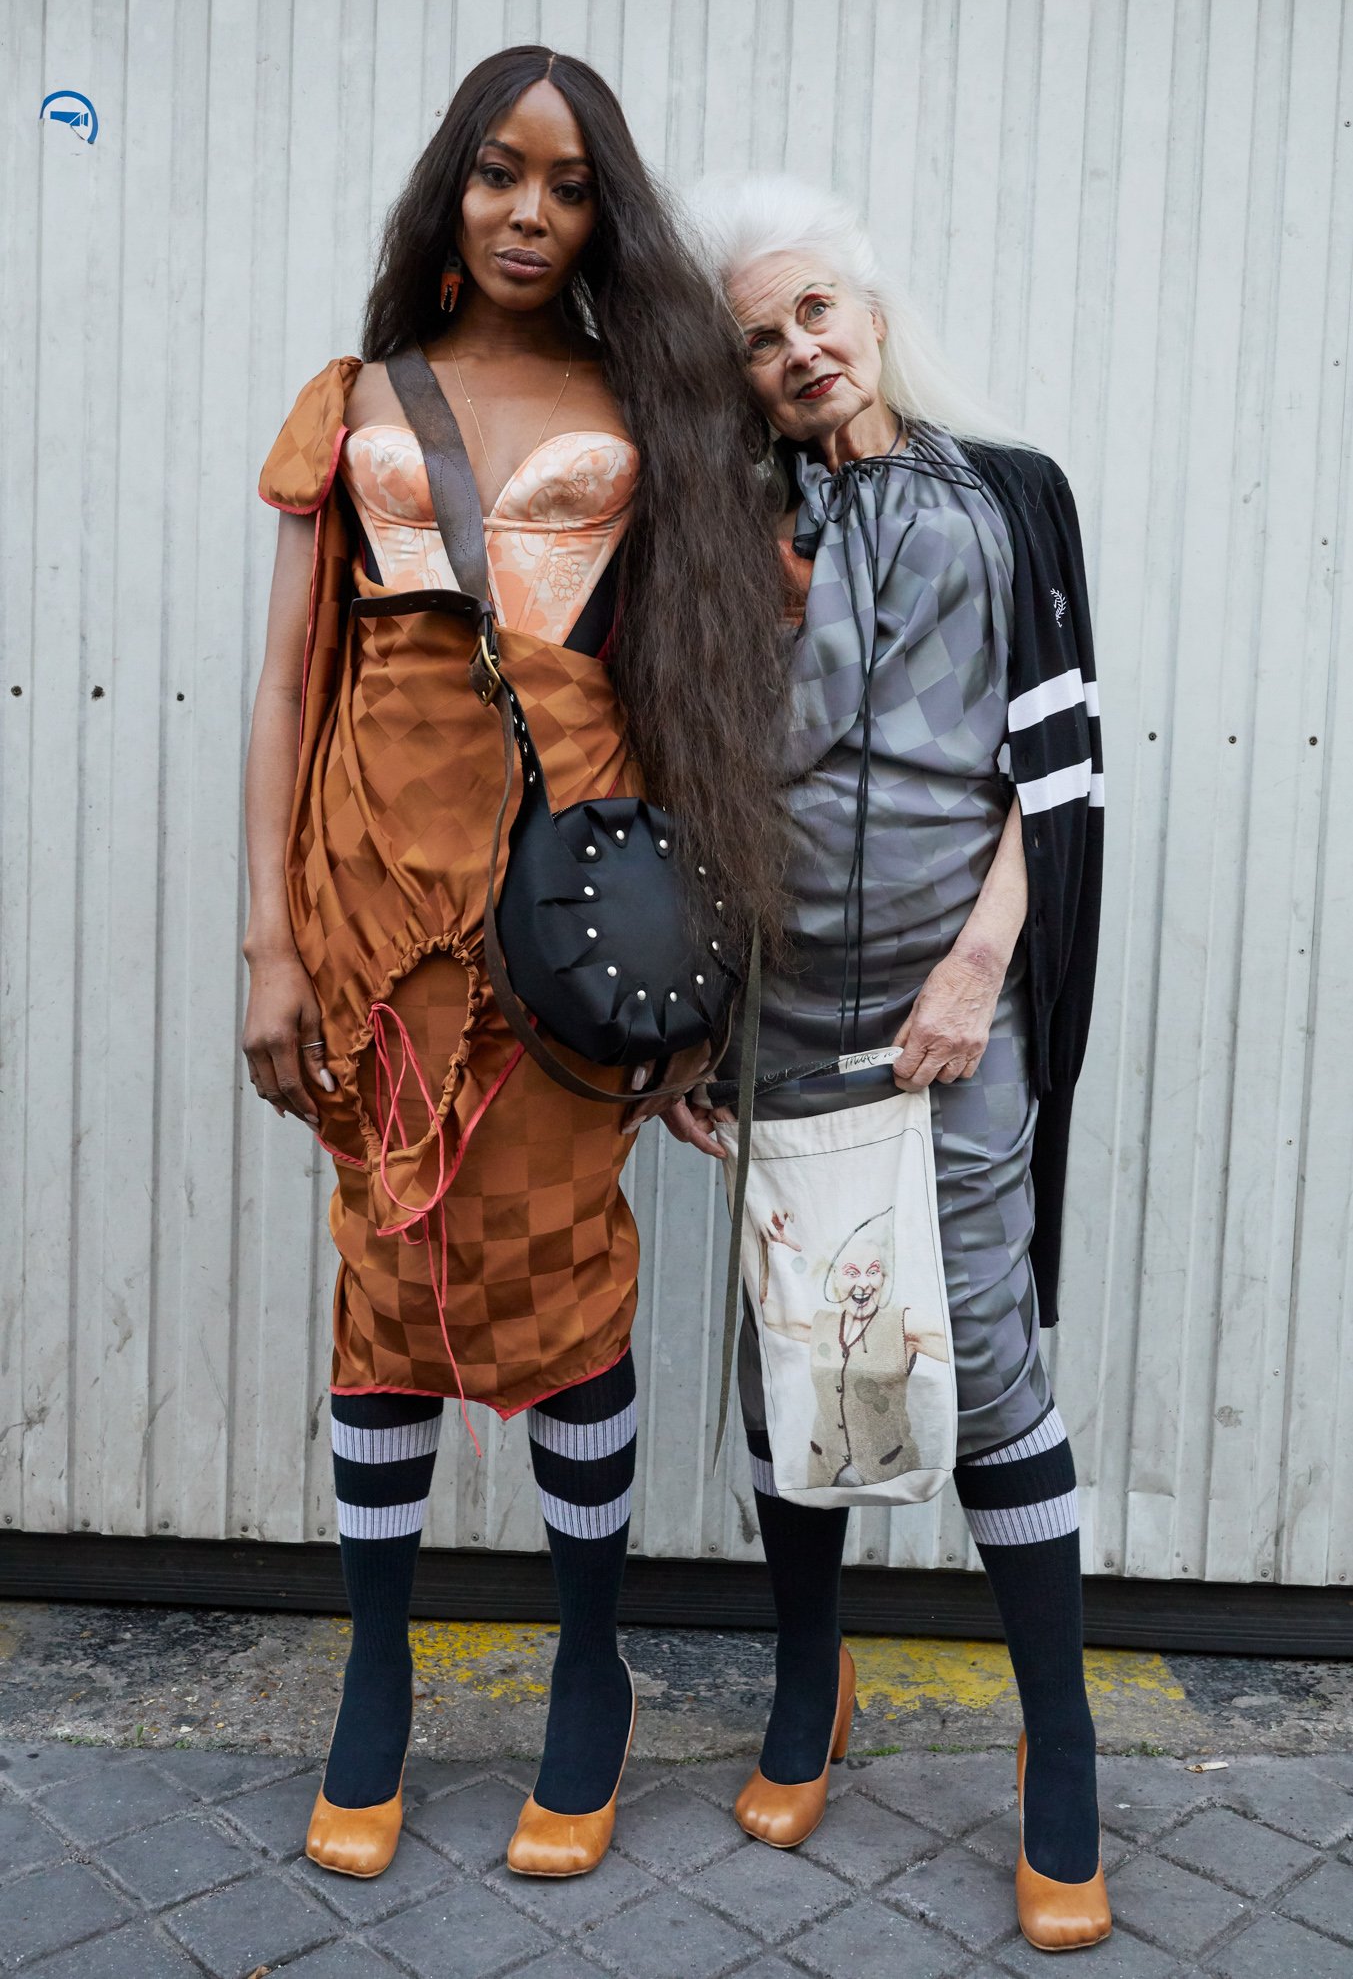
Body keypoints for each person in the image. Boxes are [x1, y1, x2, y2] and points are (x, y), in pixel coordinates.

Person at [241, 48, 784, 1882]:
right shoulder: (354, 399)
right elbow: (286, 682)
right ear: (449, 189)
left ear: (601, 210)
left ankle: (588, 1665)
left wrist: (703, 975)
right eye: (496, 172)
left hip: (567, 904)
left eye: (566, 183)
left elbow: (704, 681)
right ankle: (376, 1669)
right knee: (384, 1271)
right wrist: (267, 936)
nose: (528, 212)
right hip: (369, 892)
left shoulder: (656, 405)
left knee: (561, 1279)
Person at [676, 173, 1108, 1953]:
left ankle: (1058, 1740)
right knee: (803, 1347)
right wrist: (695, 1016)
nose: (796, 351)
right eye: (757, 337)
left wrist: (976, 970)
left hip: (958, 1005)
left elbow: (1053, 776)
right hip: (778, 1009)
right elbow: (689, 771)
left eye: (815, 312)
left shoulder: (1008, 496)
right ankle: (809, 1681)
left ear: (867, 310)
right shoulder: (724, 525)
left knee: (985, 1357)